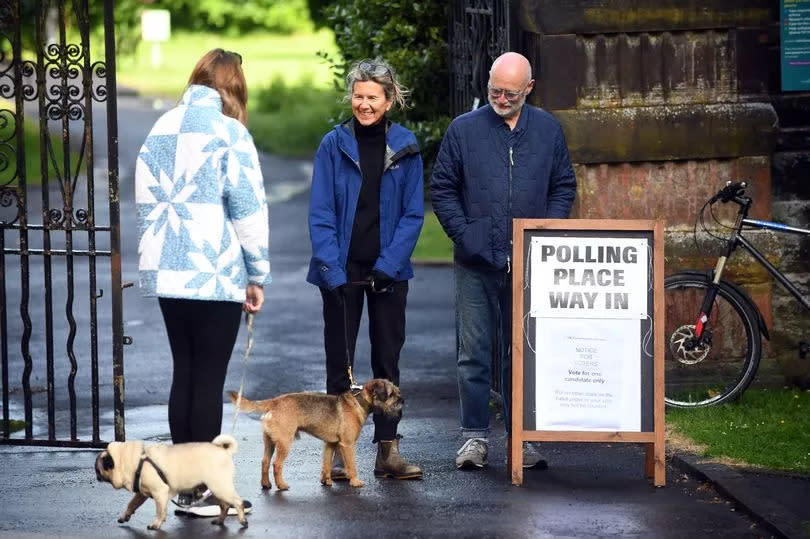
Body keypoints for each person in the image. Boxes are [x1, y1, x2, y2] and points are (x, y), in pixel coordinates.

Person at [135, 48, 270, 514]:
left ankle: (185, 488)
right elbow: (248, 210)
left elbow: (144, 199)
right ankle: (204, 490)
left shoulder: (160, 127)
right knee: (209, 381)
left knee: (185, 374)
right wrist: (257, 274)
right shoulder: (231, 133)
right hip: (214, 272)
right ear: (234, 88)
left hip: (169, 273)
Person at [429, 52, 577, 469]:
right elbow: (443, 189)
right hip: (475, 261)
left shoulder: (547, 129)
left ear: (529, 88)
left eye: (510, 92)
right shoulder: (464, 130)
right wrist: (467, 235)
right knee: (473, 353)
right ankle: (474, 438)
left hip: (530, 261)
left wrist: (545, 234)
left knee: (523, 352)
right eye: (495, 88)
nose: (500, 97)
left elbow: (563, 186)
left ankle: (522, 438)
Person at [307, 58, 424, 480]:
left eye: (373, 97)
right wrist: (331, 272)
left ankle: (387, 452)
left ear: (389, 100)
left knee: (386, 360)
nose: (364, 104)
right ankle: (340, 454)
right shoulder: (332, 144)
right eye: (358, 96)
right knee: (340, 363)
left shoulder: (407, 146)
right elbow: (320, 213)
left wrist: (390, 265)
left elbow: (413, 214)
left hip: (387, 272)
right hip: (340, 270)